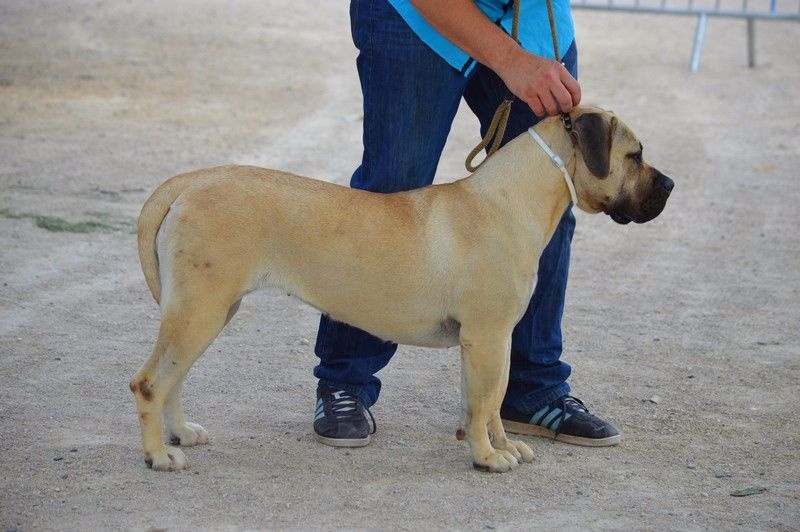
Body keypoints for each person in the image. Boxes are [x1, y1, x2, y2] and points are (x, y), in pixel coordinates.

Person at [312, 0, 620, 449]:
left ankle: (532, 389)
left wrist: (525, 49)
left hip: (530, 20)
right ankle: (346, 378)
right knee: (392, 187)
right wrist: (511, 60)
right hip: (413, 19)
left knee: (547, 195)